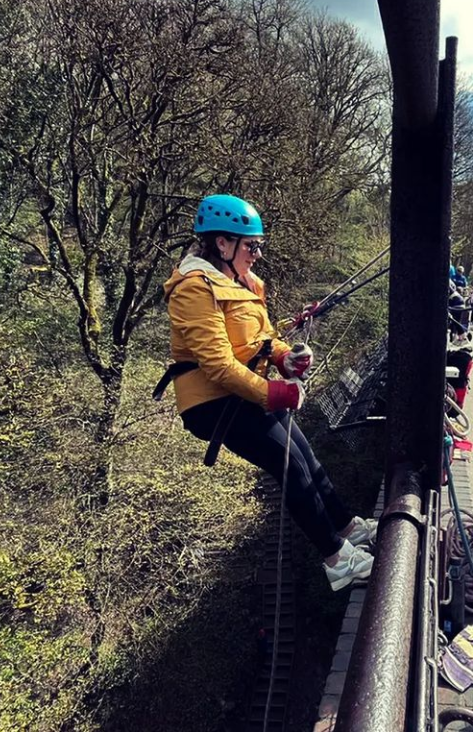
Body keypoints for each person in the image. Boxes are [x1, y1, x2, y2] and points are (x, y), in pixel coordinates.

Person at [161, 194, 376, 591]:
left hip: (245, 392)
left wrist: (284, 359)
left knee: (305, 455)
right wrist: (276, 393)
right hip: (213, 402)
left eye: (259, 246)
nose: (257, 254)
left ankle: (348, 528)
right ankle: (336, 560)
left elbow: (263, 338)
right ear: (221, 244)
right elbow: (218, 365)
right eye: (251, 246)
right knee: (289, 463)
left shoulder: (243, 282)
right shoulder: (193, 288)